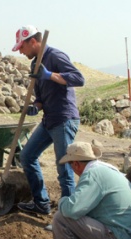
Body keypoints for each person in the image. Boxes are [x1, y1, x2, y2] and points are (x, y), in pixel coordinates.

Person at [12, 25, 85, 215]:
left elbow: (79, 78)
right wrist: (35, 107)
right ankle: (41, 203)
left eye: (22, 46)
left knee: (64, 169)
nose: (20, 51)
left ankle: (69, 216)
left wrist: (50, 75)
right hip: (49, 119)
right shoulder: (35, 64)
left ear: (34, 42)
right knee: (27, 156)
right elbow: (41, 98)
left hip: (64, 118)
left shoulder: (55, 56)